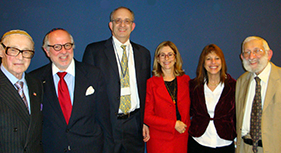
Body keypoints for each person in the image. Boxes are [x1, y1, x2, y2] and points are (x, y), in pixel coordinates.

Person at [30, 28, 113, 153]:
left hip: (89, 148)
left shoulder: (93, 74)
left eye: (67, 45)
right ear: (47, 51)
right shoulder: (35, 79)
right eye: (57, 47)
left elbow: (105, 120)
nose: (63, 51)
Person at [82, 6, 151, 153]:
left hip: (135, 125)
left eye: (127, 21)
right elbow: (86, 93)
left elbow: (146, 92)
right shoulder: (94, 51)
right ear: (110, 25)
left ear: (133, 26)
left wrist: (145, 122)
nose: (122, 25)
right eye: (117, 20)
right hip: (106, 125)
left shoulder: (144, 53)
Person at [0, 30, 43, 152]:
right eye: (13, 50)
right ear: (0, 50)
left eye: (26, 52)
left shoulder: (37, 85)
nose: (20, 57)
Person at [236, 36, 281, 153]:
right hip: (245, 148)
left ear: (269, 54)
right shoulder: (241, 81)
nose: (251, 57)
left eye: (257, 51)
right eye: (247, 52)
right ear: (242, 57)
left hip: (274, 148)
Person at [188, 44, 236, 153]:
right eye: (208, 59)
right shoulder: (193, 86)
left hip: (224, 143)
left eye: (217, 58)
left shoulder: (234, 86)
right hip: (198, 142)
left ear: (222, 62)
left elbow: (238, 115)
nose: (213, 62)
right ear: (203, 63)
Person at [144, 41, 190, 153]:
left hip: (181, 139)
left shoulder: (186, 81)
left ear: (175, 57)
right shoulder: (151, 84)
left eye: (170, 54)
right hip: (159, 141)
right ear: (158, 59)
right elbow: (147, 116)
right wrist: (173, 124)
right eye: (162, 55)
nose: (166, 58)